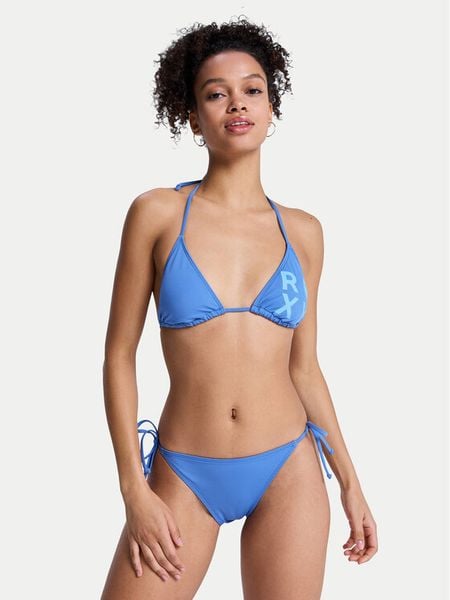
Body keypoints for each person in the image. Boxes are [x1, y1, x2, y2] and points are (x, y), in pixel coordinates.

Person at [100, 16, 378, 600]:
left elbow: (305, 368)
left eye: (252, 89)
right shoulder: (156, 214)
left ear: (271, 107)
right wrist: (133, 489)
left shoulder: (303, 232)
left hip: (288, 468)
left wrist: (351, 483)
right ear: (191, 115)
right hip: (185, 470)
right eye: (215, 94)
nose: (237, 104)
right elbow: (119, 356)